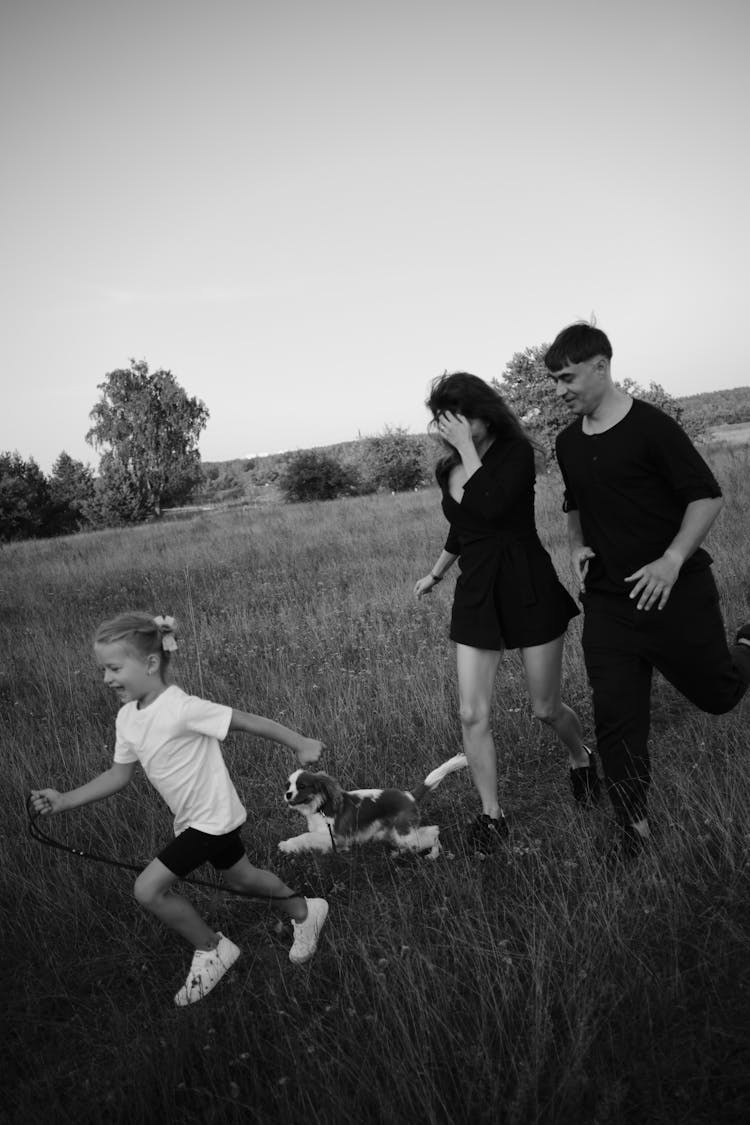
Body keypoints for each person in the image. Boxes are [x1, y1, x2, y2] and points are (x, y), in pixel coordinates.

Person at [29, 612, 329, 1006]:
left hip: (213, 820)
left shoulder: (181, 707)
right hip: (192, 820)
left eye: (115, 668)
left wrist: (300, 741)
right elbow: (119, 775)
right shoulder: (127, 719)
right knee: (242, 879)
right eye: (103, 670)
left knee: (148, 889)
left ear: (150, 664)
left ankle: (212, 948)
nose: (106, 679)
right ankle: (307, 911)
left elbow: (245, 721)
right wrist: (65, 799)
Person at [545, 322, 750, 858]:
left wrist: (671, 560)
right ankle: (631, 827)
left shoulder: (652, 428)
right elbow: (575, 502)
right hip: (610, 603)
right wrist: (575, 545)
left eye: (567, 378)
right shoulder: (567, 442)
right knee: (616, 717)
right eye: (554, 381)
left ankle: (747, 644)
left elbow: (706, 497)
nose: (560, 390)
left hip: (675, 595)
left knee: (720, 695)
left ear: (601, 366)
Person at [414, 372, 595, 851]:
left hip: (525, 585)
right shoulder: (447, 469)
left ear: (481, 413)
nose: (448, 428)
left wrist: (469, 452)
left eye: (457, 418)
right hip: (476, 592)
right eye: (441, 420)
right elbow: (462, 527)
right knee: (471, 712)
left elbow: (492, 504)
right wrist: (435, 574)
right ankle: (491, 816)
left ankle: (580, 757)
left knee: (545, 708)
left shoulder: (516, 454)